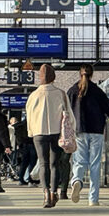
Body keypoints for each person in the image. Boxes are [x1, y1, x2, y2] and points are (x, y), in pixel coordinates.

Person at [68, 64, 109, 206]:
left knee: (80, 161)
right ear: (91, 75)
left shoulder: (72, 91)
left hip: (79, 131)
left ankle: (76, 181)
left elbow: (65, 112)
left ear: (79, 74)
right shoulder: (98, 91)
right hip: (97, 132)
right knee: (94, 165)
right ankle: (93, 199)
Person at [25, 64, 73, 208]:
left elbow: (29, 116)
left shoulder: (33, 95)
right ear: (54, 77)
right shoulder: (61, 93)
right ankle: (53, 192)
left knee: (43, 163)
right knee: (54, 164)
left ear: (40, 77)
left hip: (38, 133)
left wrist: (31, 132)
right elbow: (69, 114)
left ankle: (45, 194)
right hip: (56, 132)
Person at [10, 114, 34, 185]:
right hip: (32, 144)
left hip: (22, 146)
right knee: (32, 162)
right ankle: (30, 179)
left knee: (24, 163)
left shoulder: (19, 126)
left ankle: (21, 179)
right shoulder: (33, 125)